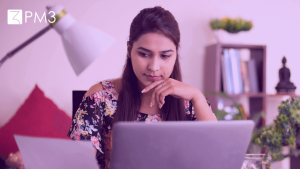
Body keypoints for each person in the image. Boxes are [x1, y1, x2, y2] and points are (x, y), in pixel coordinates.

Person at [5, 6, 217, 169]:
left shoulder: (189, 101)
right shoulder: (100, 97)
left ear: (176, 52)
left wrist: (198, 97)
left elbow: (218, 156)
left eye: (165, 56)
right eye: (144, 54)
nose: (154, 66)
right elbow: (79, 161)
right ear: (129, 49)